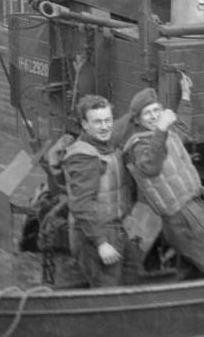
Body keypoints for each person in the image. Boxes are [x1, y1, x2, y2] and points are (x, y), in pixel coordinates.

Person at [122, 75, 204, 277]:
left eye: (157, 110)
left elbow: (180, 128)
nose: (154, 116)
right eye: (147, 113)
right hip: (183, 213)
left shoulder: (165, 135)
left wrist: (186, 98)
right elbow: (150, 166)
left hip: (190, 207)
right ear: (137, 120)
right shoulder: (140, 145)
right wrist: (162, 127)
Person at [56, 95, 142, 287]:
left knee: (131, 285)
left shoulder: (106, 143)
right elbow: (81, 205)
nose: (104, 127)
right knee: (108, 292)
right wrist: (101, 243)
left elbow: (120, 124)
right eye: (97, 122)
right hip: (93, 236)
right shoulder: (84, 157)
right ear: (85, 125)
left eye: (107, 120)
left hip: (118, 229)